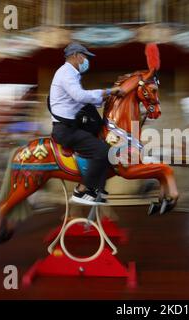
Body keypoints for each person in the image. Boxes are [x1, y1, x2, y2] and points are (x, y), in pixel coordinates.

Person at [50, 42, 124, 205]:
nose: (85, 60)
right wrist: (108, 91)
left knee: (102, 140)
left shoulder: (70, 74)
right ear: (76, 55)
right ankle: (82, 190)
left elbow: (81, 102)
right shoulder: (66, 73)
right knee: (103, 149)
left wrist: (105, 97)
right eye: (84, 56)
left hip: (70, 126)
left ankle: (97, 187)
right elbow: (80, 96)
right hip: (66, 130)